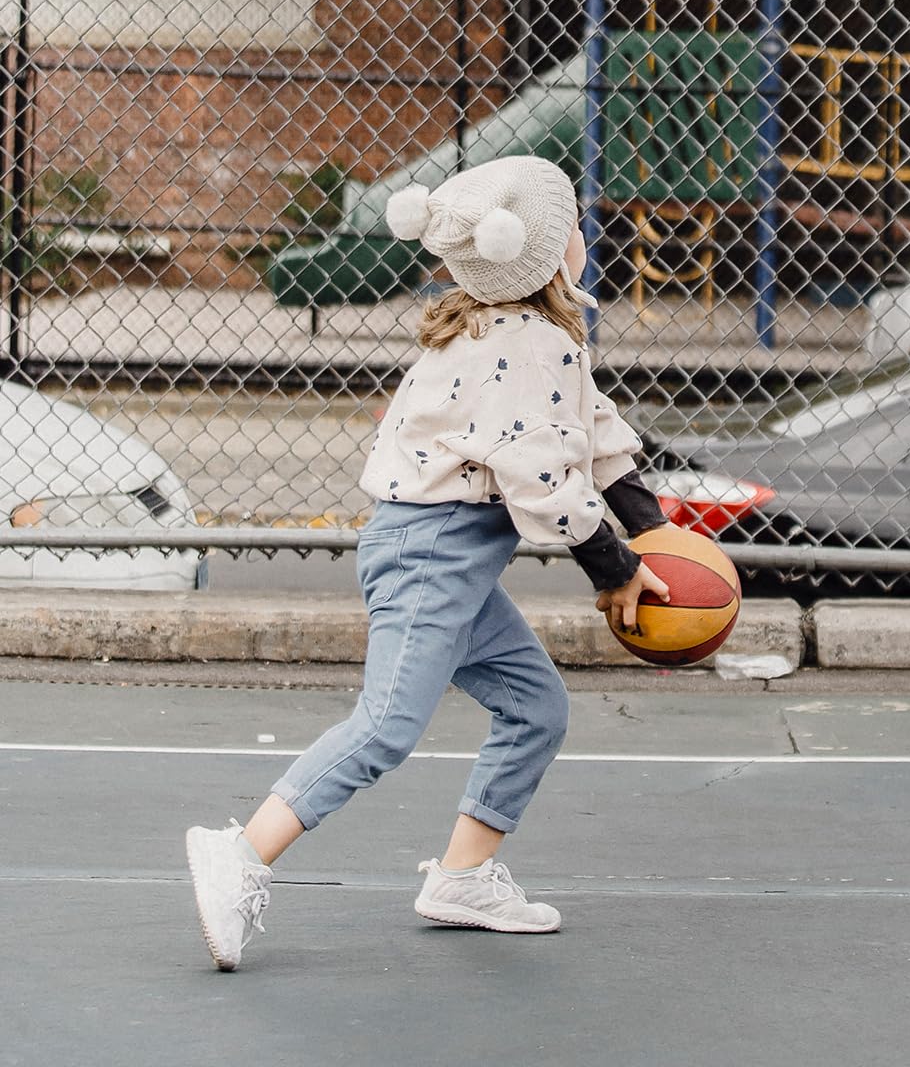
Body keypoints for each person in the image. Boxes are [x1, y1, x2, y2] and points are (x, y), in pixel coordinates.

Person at [184, 156, 675, 971]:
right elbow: (545, 479)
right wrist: (616, 566)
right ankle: (238, 853)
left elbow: (598, 434)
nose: (586, 237)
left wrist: (655, 534)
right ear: (554, 255)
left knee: (536, 709)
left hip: (445, 554)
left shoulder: (512, 331)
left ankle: (463, 876)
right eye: (576, 226)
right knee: (385, 727)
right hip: (430, 551)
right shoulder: (528, 344)